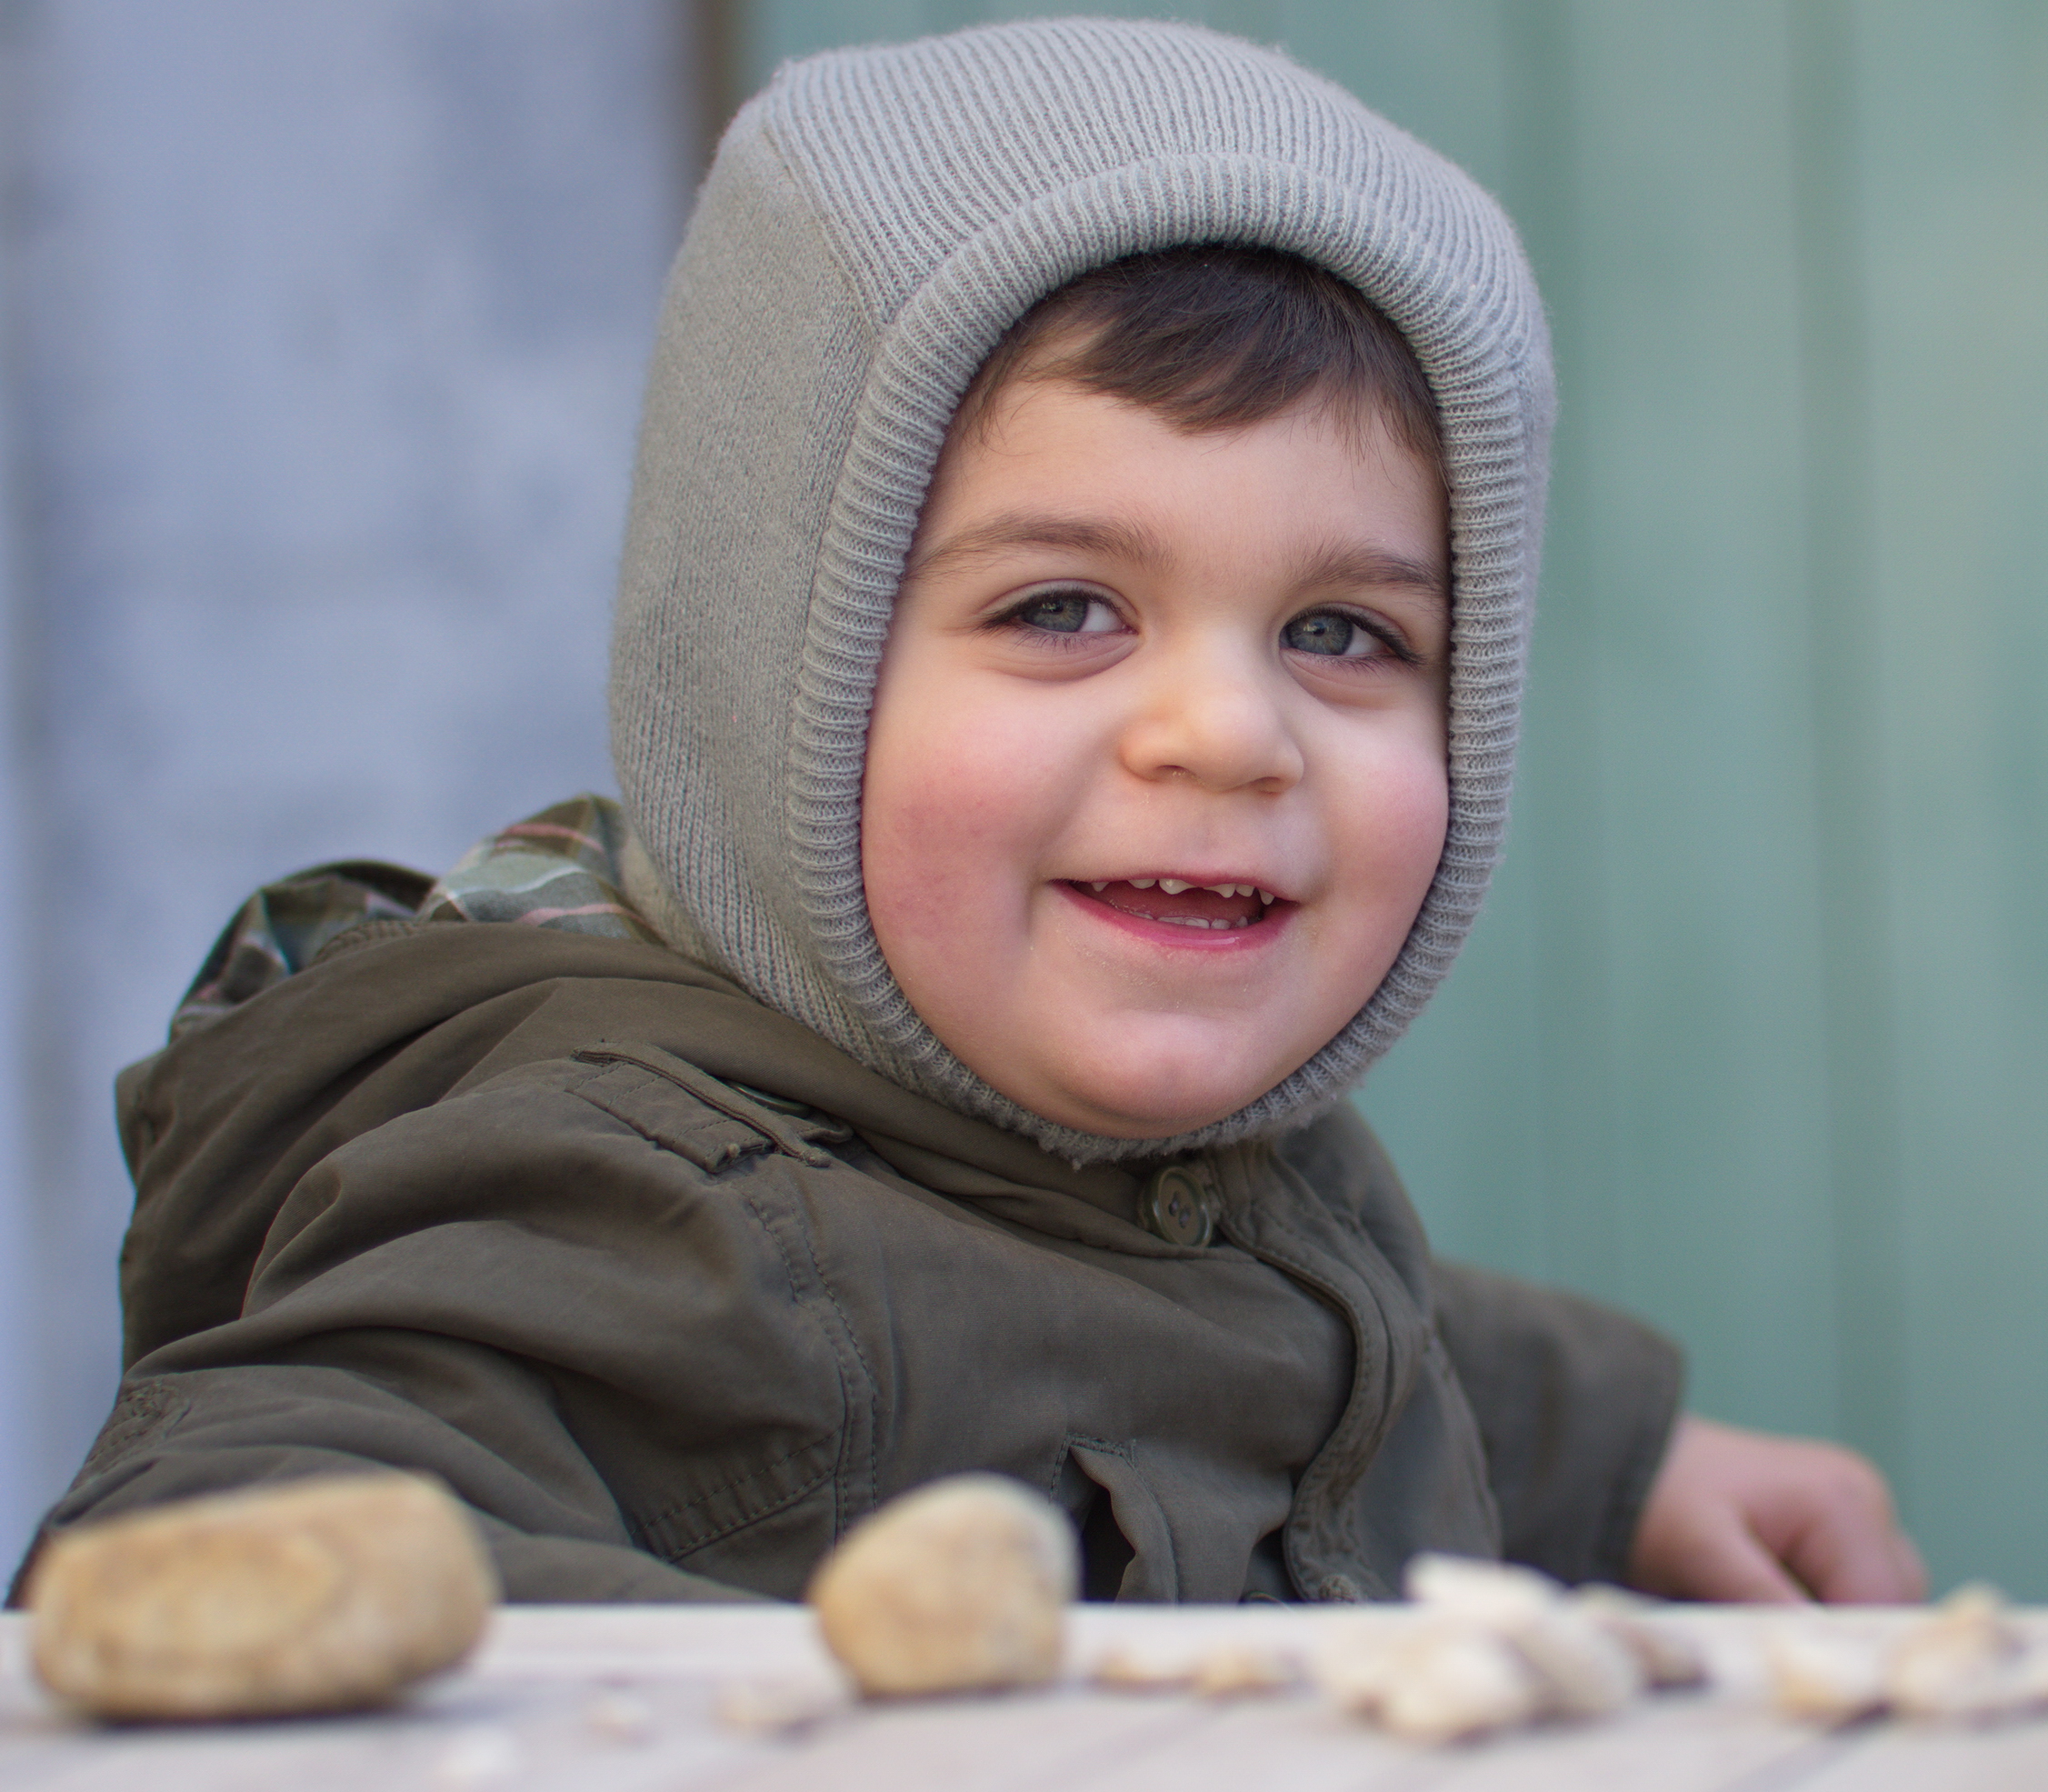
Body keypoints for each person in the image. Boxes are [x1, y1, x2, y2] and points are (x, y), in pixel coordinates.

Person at [13, 19, 1922, 1608]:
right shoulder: (653, 1216)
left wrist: (1627, 1454)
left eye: (1341, 632)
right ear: (778, 662)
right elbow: (217, 1548)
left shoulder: (1103, 1145)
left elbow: (1239, 1319)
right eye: (1064, 609)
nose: (1228, 733)